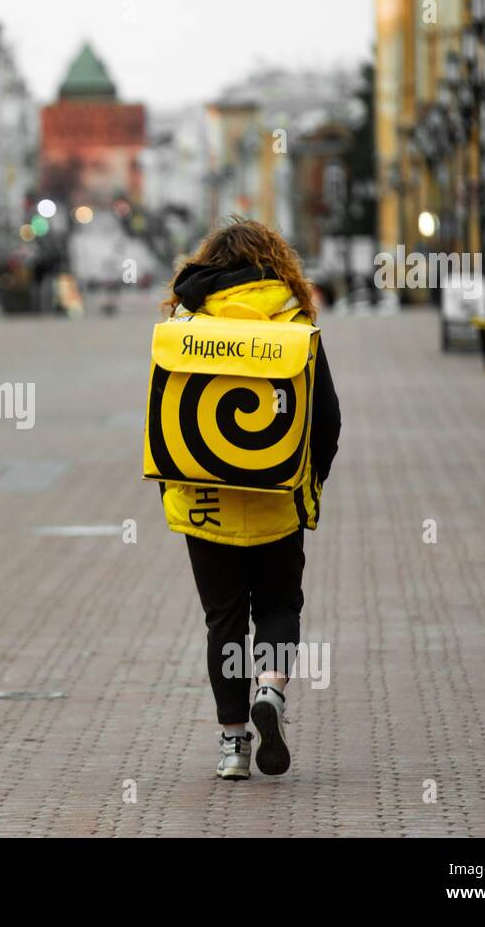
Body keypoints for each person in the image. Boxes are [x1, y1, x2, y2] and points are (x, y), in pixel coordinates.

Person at [156, 218, 341, 781]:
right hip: (277, 497)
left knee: (224, 622)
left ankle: (233, 745)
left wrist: (175, 485)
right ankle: (270, 690)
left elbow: (162, 420)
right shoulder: (295, 324)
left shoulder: (186, 326)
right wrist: (310, 480)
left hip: (205, 501)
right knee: (281, 607)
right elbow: (326, 419)